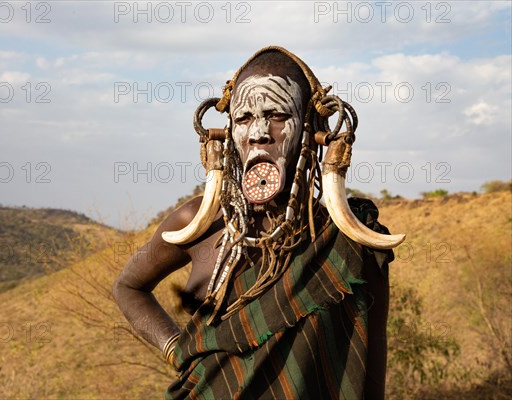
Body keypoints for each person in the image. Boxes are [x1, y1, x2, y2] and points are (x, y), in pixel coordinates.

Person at [112, 46, 405, 399]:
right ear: (228, 133)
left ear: (312, 131)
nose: (259, 132)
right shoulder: (200, 223)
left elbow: (369, 369)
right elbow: (127, 287)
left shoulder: (350, 244)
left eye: (278, 114)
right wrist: (176, 348)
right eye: (244, 118)